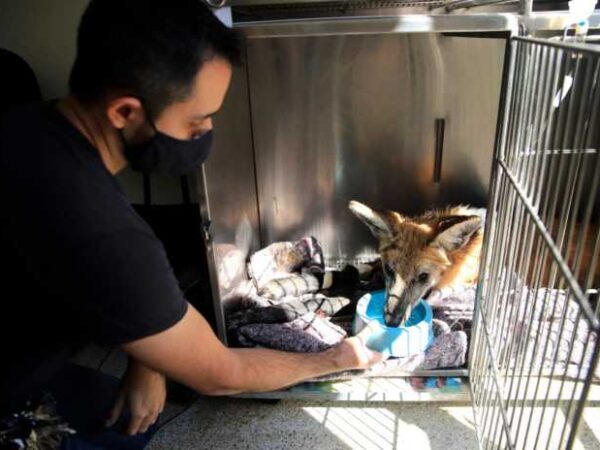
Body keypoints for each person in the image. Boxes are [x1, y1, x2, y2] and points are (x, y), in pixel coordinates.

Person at [0, 1, 383, 448]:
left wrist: (149, 358)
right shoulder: (99, 229)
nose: (206, 132)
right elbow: (221, 374)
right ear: (125, 112)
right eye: (196, 121)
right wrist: (336, 358)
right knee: (126, 431)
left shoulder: (24, 119)